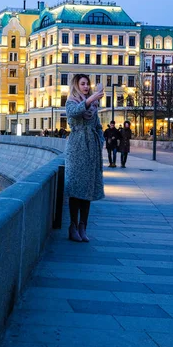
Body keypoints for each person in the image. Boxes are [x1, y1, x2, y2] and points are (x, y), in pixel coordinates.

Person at [65, 74, 105, 243]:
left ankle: (83, 226)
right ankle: (73, 226)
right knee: (76, 189)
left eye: (87, 84)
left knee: (87, 189)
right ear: (76, 85)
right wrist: (91, 99)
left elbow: (98, 126)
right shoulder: (71, 102)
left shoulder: (93, 106)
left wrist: (100, 141)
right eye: (82, 84)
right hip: (77, 148)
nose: (86, 87)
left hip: (92, 150)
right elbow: (74, 113)